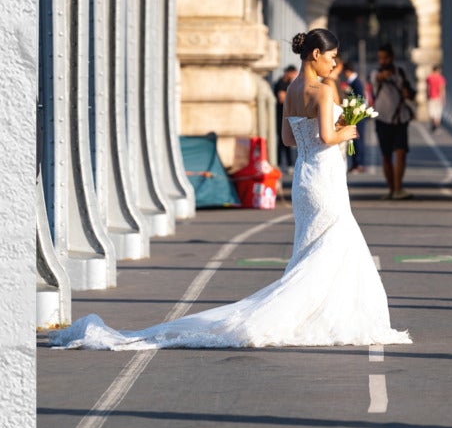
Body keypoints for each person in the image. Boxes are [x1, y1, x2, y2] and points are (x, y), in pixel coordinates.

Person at [46, 28, 411, 349]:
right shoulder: (323, 89)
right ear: (316, 55)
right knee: (333, 245)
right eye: (331, 57)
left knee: (313, 250)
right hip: (326, 181)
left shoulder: (294, 88)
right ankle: (324, 315)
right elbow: (330, 136)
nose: (334, 64)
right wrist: (346, 129)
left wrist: (322, 135)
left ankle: (312, 311)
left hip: (305, 178)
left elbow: (288, 138)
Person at [370, 44, 414, 198]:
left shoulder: (400, 72)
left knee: (401, 153)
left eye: (385, 58)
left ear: (392, 58)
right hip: (382, 119)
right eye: (380, 58)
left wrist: (407, 92)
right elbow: (376, 79)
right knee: (386, 155)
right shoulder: (375, 72)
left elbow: (410, 92)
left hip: (400, 118)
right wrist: (383, 76)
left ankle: (398, 188)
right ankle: (391, 189)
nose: (382, 61)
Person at [424, 64, 445, 130]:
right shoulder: (440, 78)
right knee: (438, 112)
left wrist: (427, 95)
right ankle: (436, 125)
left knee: (432, 111)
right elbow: (441, 88)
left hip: (431, 96)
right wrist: (443, 98)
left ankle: (433, 123)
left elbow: (427, 87)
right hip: (438, 97)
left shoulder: (429, 77)